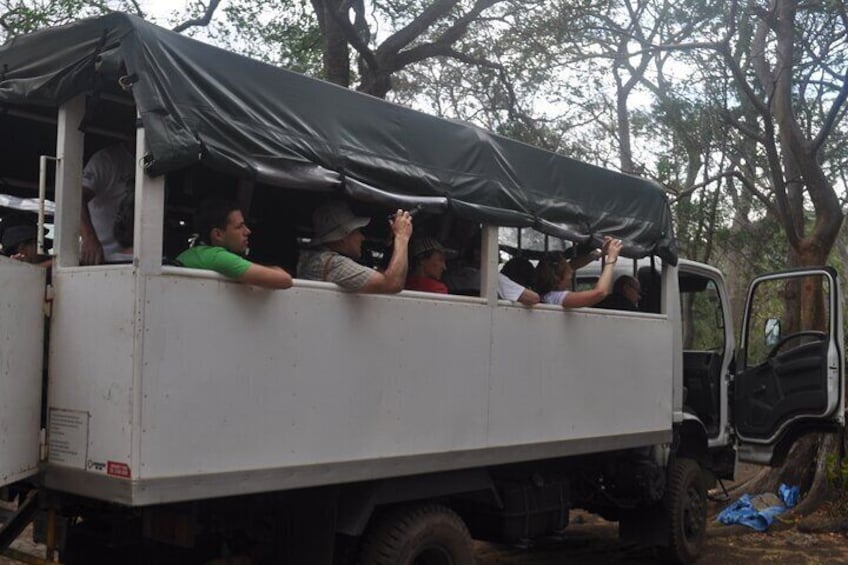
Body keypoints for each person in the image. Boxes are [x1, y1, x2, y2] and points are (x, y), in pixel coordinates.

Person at [298, 201, 413, 293]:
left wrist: (391, 247)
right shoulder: (333, 263)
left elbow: (379, 279)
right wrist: (402, 237)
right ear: (342, 236)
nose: (362, 237)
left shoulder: (316, 258)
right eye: (357, 231)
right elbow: (391, 284)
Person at [176, 199, 293, 289]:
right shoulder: (216, 256)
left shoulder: (194, 253)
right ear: (218, 235)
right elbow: (285, 280)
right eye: (239, 227)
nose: (247, 231)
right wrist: (276, 269)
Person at [80, 142, 135, 264]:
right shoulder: (106, 160)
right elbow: (75, 198)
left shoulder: (158, 161)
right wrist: (89, 238)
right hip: (101, 259)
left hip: (139, 257)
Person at [535, 238, 623, 308]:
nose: (571, 273)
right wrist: (611, 259)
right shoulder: (556, 298)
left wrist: (601, 252)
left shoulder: (546, 295)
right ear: (558, 278)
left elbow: (573, 265)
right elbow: (600, 293)